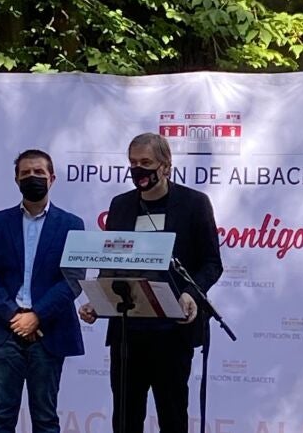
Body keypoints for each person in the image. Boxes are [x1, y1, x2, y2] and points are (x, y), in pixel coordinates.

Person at [79, 133, 223, 433]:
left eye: (146, 162)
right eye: (132, 163)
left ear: (166, 165)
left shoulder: (194, 203)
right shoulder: (120, 205)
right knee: (125, 419)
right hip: (127, 332)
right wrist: (99, 300)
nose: (138, 170)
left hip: (173, 332)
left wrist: (190, 294)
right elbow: (111, 262)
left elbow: (212, 263)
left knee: (173, 418)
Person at [0, 149, 85, 433]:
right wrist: (15, 316)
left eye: (39, 172)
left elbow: (73, 279)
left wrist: (37, 316)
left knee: (46, 419)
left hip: (50, 331)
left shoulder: (72, 225)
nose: (32, 177)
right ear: (16, 180)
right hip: (4, 330)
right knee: (2, 417)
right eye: (26, 173)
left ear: (52, 178)